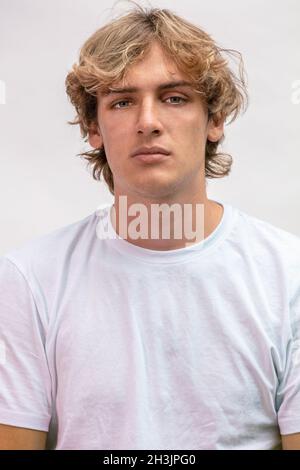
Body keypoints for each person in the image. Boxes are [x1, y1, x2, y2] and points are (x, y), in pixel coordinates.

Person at [0, 3, 300, 450]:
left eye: (174, 98)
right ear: (93, 128)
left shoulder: (289, 275)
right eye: (122, 101)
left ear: (214, 120)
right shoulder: (29, 279)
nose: (148, 123)